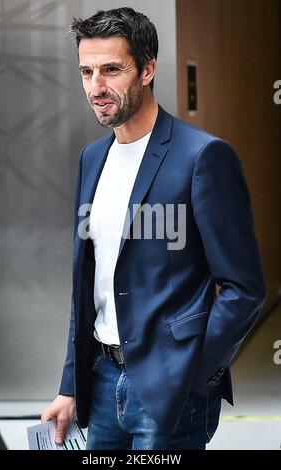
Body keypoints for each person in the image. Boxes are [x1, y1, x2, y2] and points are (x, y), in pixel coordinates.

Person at [41, 7, 266, 450]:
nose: (96, 87)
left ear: (147, 70)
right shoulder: (92, 158)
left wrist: (197, 373)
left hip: (171, 390)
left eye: (111, 70)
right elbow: (88, 282)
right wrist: (70, 385)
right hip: (101, 383)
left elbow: (245, 288)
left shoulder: (203, 157)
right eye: (86, 71)